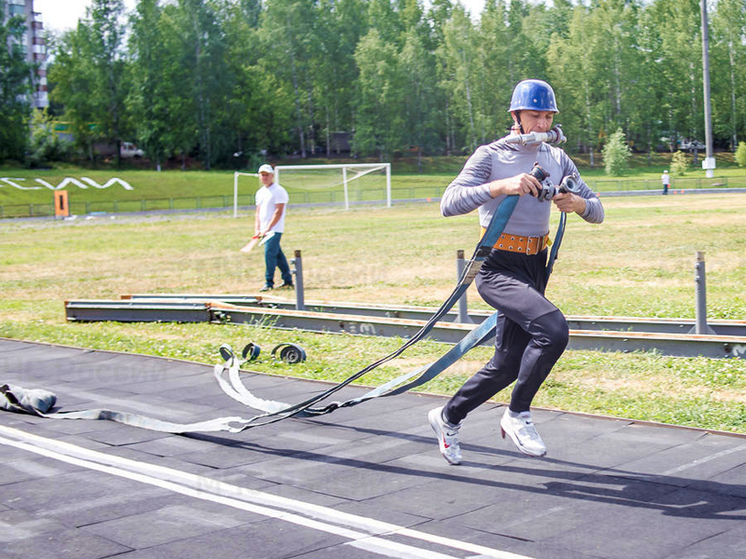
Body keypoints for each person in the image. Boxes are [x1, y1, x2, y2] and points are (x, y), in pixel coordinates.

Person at [428, 79, 604, 464]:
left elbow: (598, 209)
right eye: (534, 115)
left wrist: (576, 203)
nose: (542, 123)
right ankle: (517, 414)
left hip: (534, 266)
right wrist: (500, 186)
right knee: (553, 330)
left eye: (547, 116)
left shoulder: (558, 159)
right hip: (496, 267)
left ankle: (447, 416)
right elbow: (448, 203)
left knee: (506, 364)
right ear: (516, 117)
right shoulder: (490, 155)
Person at [254, 164, 293, 292]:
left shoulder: (279, 190)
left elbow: (278, 212)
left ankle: (268, 282)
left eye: (267, 175)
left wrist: (268, 228)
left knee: (269, 254)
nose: (264, 177)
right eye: (262, 175)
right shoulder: (260, 193)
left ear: (272, 176)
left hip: (275, 229)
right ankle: (288, 280)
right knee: (278, 255)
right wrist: (257, 228)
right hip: (265, 229)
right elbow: (258, 212)